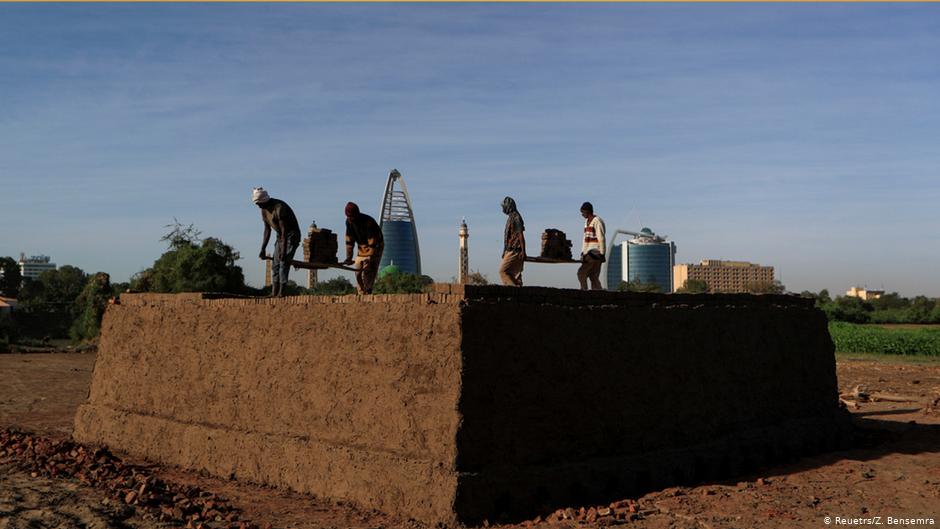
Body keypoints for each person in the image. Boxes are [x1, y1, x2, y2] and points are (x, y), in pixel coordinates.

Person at [253, 187, 301, 297]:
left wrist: (283, 252)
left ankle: (281, 292)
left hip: (291, 236)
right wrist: (263, 249)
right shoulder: (263, 211)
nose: (258, 206)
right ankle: (274, 292)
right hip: (280, 237)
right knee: (275, 265)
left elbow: (284, 231)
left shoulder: (279, 208)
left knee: (283, 262)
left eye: (259, 203)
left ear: (264, 201)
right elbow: (267, 230)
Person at [342, 202, 385, 294]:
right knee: (357, 270)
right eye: (348, 216)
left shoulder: (368, 222)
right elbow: (349, 241)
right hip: (362, 247)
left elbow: (372, 241)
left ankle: (368, 290)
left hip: (376, 246)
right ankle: (361, 292)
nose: (350, 219)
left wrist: (370, 256)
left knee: (369, 269)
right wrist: (349, 257)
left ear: (356, 215)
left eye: (352, 216)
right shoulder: (348, 222)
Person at [577, 201, 606, 290]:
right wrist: (583, 253)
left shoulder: (597, 221)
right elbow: (585, 239)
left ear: (587, 211)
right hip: (589, 253)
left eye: (583, 212)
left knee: (581, 273)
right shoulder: (587, 222)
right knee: (593, 276)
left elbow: (601, 238)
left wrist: (602, 253)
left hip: (594, 252)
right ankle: (598, 296)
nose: (582, 214)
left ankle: (584, 292)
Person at [499, 196, 525, 286]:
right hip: (510, 250)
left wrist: (523, 251)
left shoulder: (516, 217)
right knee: (514, 274)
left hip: (515, 250)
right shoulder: (511, 217)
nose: (503, 209)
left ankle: (513, 292)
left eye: (504, 206)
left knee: (503, 272)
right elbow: (508, 236)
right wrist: (504, 251)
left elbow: (520, 235)